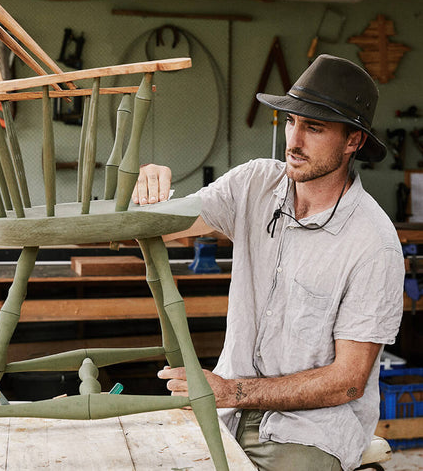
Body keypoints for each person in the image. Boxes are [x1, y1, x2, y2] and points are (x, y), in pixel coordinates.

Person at [132, 55, 404, 471]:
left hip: (311, 431)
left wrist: (230, 391)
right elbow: (161, 228)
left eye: (314, 128)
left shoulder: (374, 243)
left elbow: (348, 380)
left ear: (353, 142)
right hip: (224, 413)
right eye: (291, 122)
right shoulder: (255, 183)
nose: (294, 140)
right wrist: (146, 190)